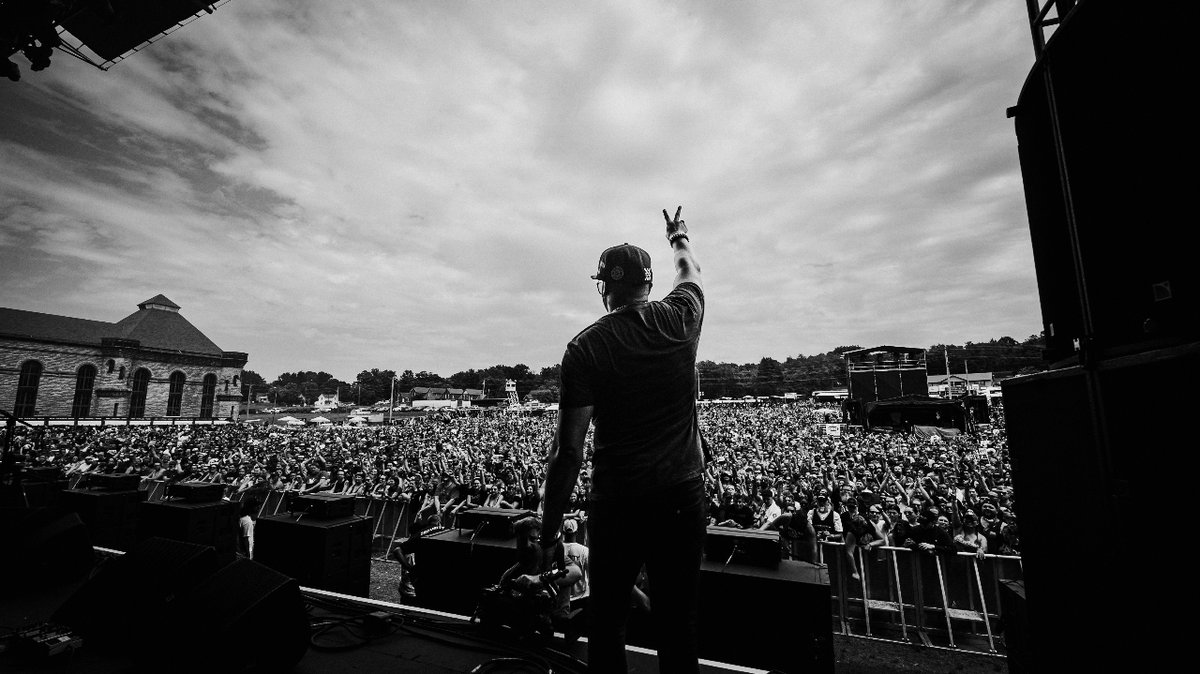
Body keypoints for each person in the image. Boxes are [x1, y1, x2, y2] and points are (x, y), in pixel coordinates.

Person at [539, 206, 705, 673]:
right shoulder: (683, 316)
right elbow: (689, 269)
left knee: (608, 621)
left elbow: (568, 451)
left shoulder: (586, 346)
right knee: (678, 622)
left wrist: (550, 534)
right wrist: (678, 237)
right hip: (682, 494)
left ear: (605, 288)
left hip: (619, 499)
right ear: (648, 285)